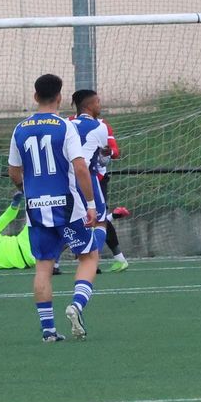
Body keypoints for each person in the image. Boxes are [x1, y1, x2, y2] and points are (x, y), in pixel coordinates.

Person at [9, 73, 103, 342]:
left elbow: (14, 172)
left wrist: (27, 191)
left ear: (35, 96)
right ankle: (76, 305)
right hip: (67, 206)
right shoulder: (65, 126)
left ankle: (48, 330)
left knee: (43, 266)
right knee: (88, 256)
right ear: (60, 97)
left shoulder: (20, 129)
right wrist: (91, 204)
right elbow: (81, 167)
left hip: (36, 207)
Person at [71, 89, 129, 272]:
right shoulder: (100, 126)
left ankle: (62, 259)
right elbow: (102, 160)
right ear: (89, 105)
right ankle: (89, 258)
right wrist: (106, 154)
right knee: (100, 220)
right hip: (88, 177)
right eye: (97, 102)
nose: (100, 105)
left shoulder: (66, 124)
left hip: (67, 180)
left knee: (74, 221)